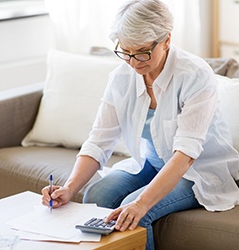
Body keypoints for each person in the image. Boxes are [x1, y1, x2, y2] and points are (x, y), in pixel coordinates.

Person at [42, 0, 239, 249]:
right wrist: (69, 188)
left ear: (166, 40)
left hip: (197, 171)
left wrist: (141, 203)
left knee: (133, 215)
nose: (135, 63)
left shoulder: (195, 75)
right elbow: (99, 140)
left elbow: (186, 155)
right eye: (126, 52)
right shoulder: (122, 78)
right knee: (97, 195)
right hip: (152, 164)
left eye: (143, 52)